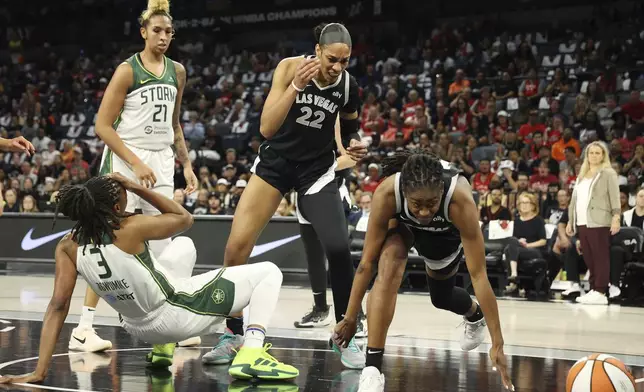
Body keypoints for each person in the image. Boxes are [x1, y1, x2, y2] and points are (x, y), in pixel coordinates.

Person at [0, 173, 298, 385]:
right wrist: (136, 186)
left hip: (134, 327)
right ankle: (253, 351)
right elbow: (184, 218)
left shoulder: (67, 245)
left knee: (183, 247)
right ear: (116, 208)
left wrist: (39, 371)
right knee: (269, 272)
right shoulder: (130, 227)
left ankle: (162, 349)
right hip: (176, 315)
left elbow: (57, 307)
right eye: (125, 198)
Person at [202, 22, 368, 369]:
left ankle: (346, 333)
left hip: (315, 171)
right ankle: (233, 333)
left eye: (345, 61)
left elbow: (350, 124)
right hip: (277, 164)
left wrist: (353, 142)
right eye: (332, 59)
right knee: (236, 248)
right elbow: (266, 127)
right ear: (318, 50)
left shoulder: (349, 86)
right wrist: (296, 86)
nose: (338, 67)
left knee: (338, 247)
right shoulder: (290, 68)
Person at [70, 0, 199, 352]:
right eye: (157, 30)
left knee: (164, 241)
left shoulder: (178, 71)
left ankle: (171, 322)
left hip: (161, 159)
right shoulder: (127, 70)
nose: (163, 37)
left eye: (169, 32)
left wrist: (186, 165)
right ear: (143, 32)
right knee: (106, 241)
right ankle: (83, 327)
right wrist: (134, 162)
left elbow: (174, 125)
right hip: (126, 157)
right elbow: (101, 126)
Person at [333, 150, 513, 392]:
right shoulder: (387, 192)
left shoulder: (459, 199)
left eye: (431, 204)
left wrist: (497, 344)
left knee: (441, 297)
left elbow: (479, 275)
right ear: (405, 192)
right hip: (403, 225)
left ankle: (474, 314)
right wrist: (350, 317)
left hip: (443, 235)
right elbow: (367, 263)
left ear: (441, 193)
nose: (425, 212)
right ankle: (372, 369)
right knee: (389, 261)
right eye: (417, 204)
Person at [294, 118, 367, 335]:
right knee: (313, 256)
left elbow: (351, 160)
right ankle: (319, 309)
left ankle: (356, 315)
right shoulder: (304, 128)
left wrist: (312, 164)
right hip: (303, 195)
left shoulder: (347, 132)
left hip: (333, 193)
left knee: (340, 257)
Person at [566, 141, 621, 305]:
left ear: (603, 155)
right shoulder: (582, 175)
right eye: (591, 153)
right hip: (583, 221)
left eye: (598, 153)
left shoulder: (608, 173)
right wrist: (571, 220)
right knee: (589, 256)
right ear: (587, 155)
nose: (594, 156)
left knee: (600, 256)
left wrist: (616, 217)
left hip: (600, 221)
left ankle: (600, 290)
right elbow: (575, 200)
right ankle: (593, 289)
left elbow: (614, 197)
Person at [502, 192, 547, 295]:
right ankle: (514, 276)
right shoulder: (517, 221)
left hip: (534, 250)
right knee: (511, 243)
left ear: (533, 205)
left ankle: (513, 282)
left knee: (509, 249)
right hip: (519, 250)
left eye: (527, 203)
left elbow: (543, 241)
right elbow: (514, 240)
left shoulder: (538, 220)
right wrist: (519, 241)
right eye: (522, 203)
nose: (524, 205)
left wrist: (528, 245)